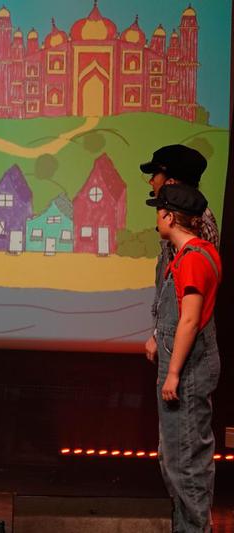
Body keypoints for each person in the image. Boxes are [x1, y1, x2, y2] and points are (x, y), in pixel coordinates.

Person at [146, 183, 221, 532]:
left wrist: (173, 373)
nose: (156, 218)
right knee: (176, 458)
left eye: (159, 211)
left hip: (187, 370)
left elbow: (189, 320)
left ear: (169, 217)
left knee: (186, 462)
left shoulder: (192, 259)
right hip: (184, 364)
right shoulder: (193, 253)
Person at [140, 144, 219, 363]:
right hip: (173, 343)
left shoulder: (195, 229)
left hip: (187, 351)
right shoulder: (181, 224)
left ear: (171, 182)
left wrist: (158, 336)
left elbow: (188, 308)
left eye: (155, 175)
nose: (151, 181)